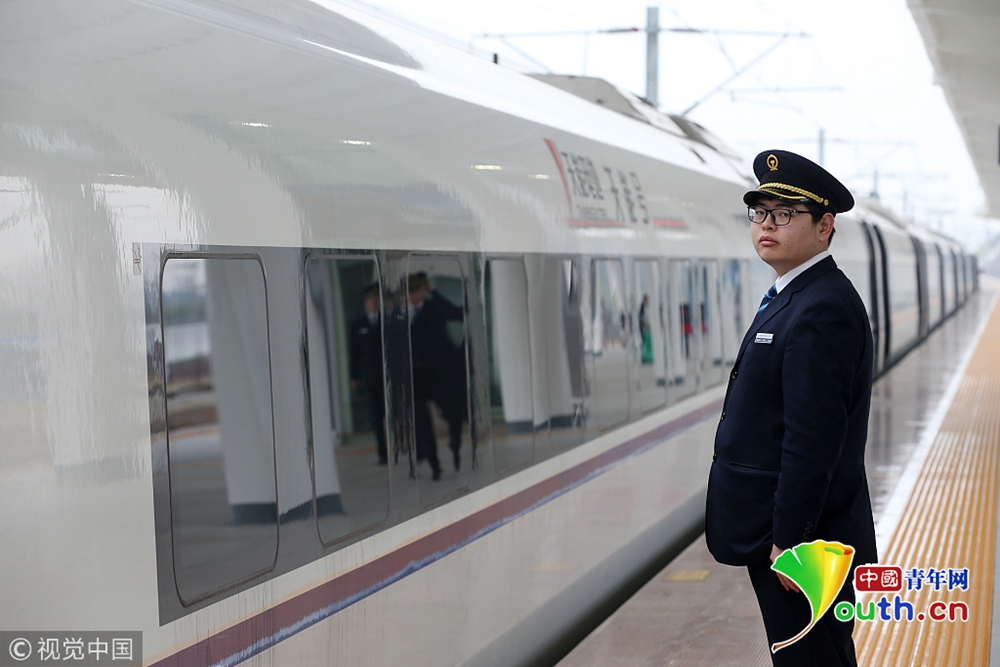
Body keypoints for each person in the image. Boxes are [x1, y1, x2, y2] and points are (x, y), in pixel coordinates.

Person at [705, 150, 878, 666]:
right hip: (788, 534)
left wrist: (790, 542)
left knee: (810, 659)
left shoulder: (821, 308)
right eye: (760, 212)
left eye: (784, 214)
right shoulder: (798, 295)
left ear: (825, 226)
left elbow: (812, 441)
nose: (766, 225)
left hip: (801, 544)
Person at [408, 273, 468, 479]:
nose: (412, 296)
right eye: (409, 292)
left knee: (452, 413)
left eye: (416, 291)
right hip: (418, 375)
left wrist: (434, 292)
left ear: (423, 290)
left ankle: (455, 447)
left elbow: (458, 314)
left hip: (442, 373)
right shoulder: (399, 314)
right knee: (422, 421)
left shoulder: (434, 307)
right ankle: (434, 464)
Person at [349, 282, 387, 465]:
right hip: (371, 378)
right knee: (376, 417)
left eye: (375, 298)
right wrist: (354, 377)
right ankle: (383, 453)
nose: (373, 301)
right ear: (366, 302)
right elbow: (354, 354)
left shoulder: (388, 320)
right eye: (370, 299)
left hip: (389, 378)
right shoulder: (358, 325)